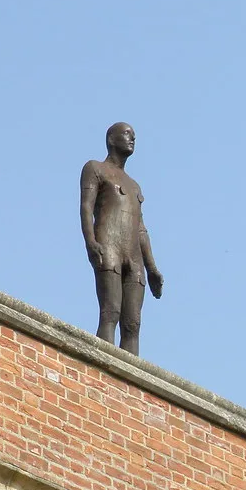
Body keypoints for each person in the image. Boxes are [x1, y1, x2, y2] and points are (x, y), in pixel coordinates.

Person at [79, 122, 164, 356]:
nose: (132, 138)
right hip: (108, 246)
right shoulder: (95, 168)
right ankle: (102, 366)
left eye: (134, 135)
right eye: (127, 134)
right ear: (111, 139)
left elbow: (141, 229)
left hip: (134, 256)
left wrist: (152, 267)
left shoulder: (134, 186)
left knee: (133, 324)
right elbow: (86, 207)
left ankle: (128, 375)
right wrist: (90, 241)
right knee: (111, 312)